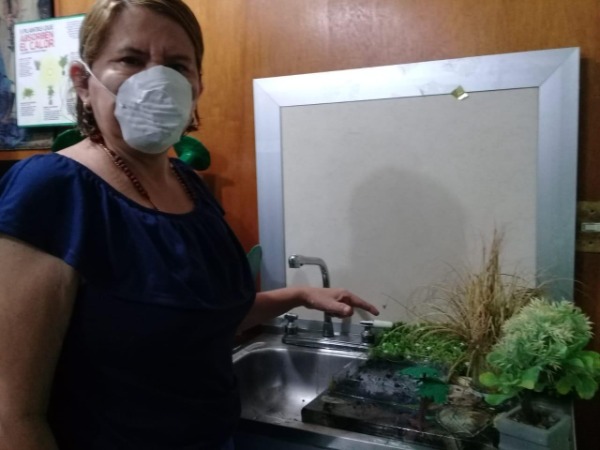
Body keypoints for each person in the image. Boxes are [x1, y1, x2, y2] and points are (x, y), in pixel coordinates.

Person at [0, 1, 380, 449]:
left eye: (177, 66)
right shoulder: (52, 191)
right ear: (84, 82)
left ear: (197, 85)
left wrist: (296, 296)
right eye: (131, 59)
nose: (156, 80)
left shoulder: (188, 185)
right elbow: (13, 414)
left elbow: (197, 320)